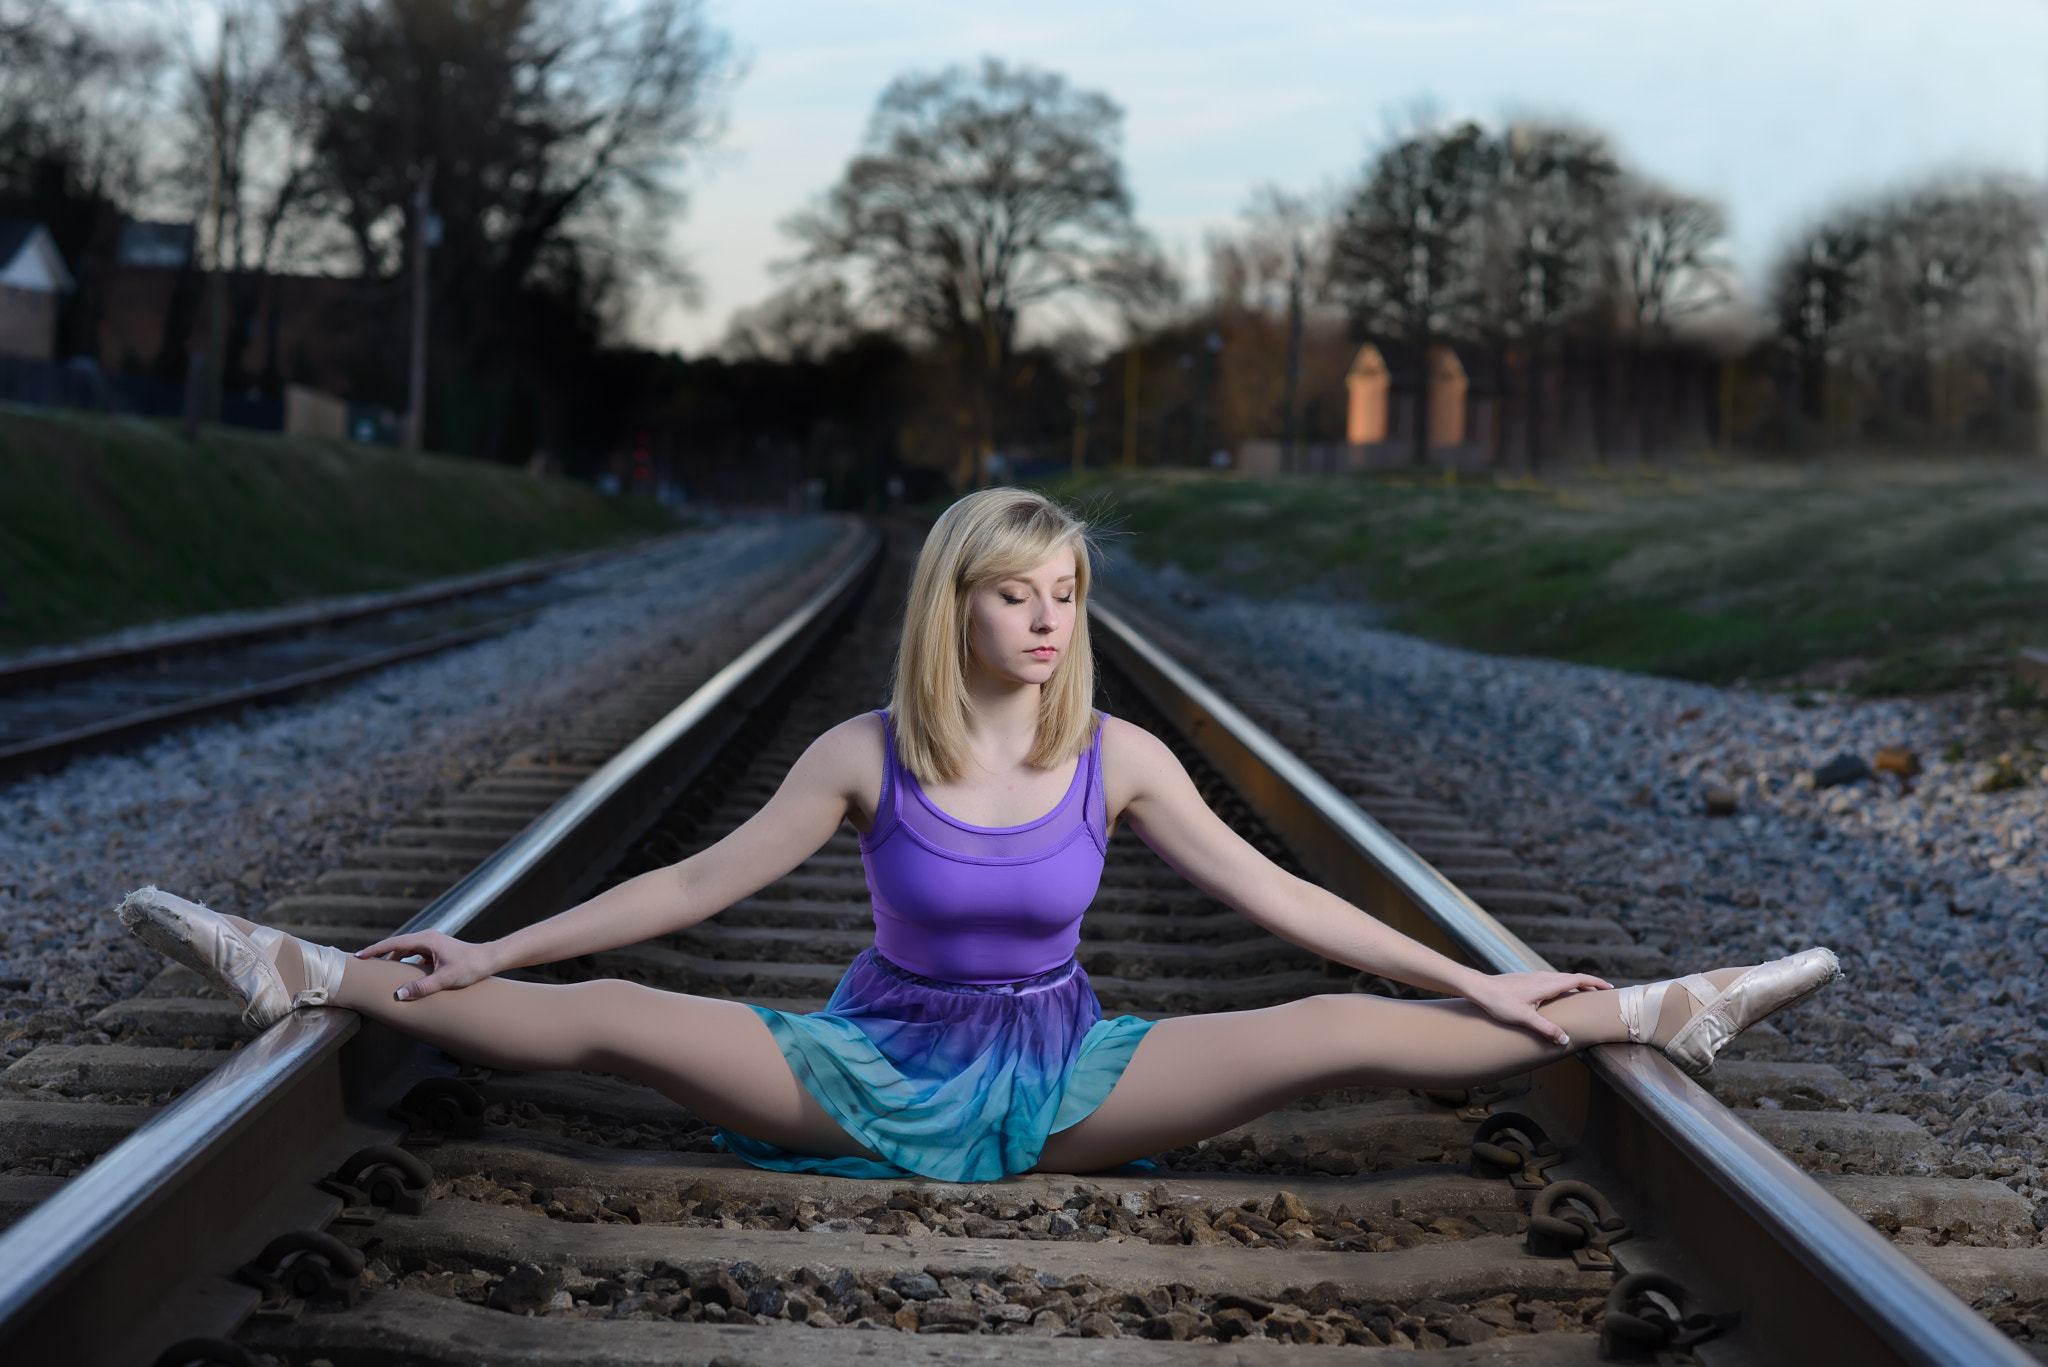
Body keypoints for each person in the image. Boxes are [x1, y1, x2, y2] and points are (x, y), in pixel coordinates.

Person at [119, 488, 1840, 1183]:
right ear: (957, 605)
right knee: (623, 1021)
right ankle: (325, 977)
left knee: (1337, 1029)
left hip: (1067, 1067)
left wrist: (1492, 975)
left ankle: (1652, 1009)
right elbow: (695, 886)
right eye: (1015, 595)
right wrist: (491, 944)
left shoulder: (1125, 754)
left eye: (1065, 596)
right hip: (869, 1062)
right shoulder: (867, 750)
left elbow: (1292, 904)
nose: (1045, 621)